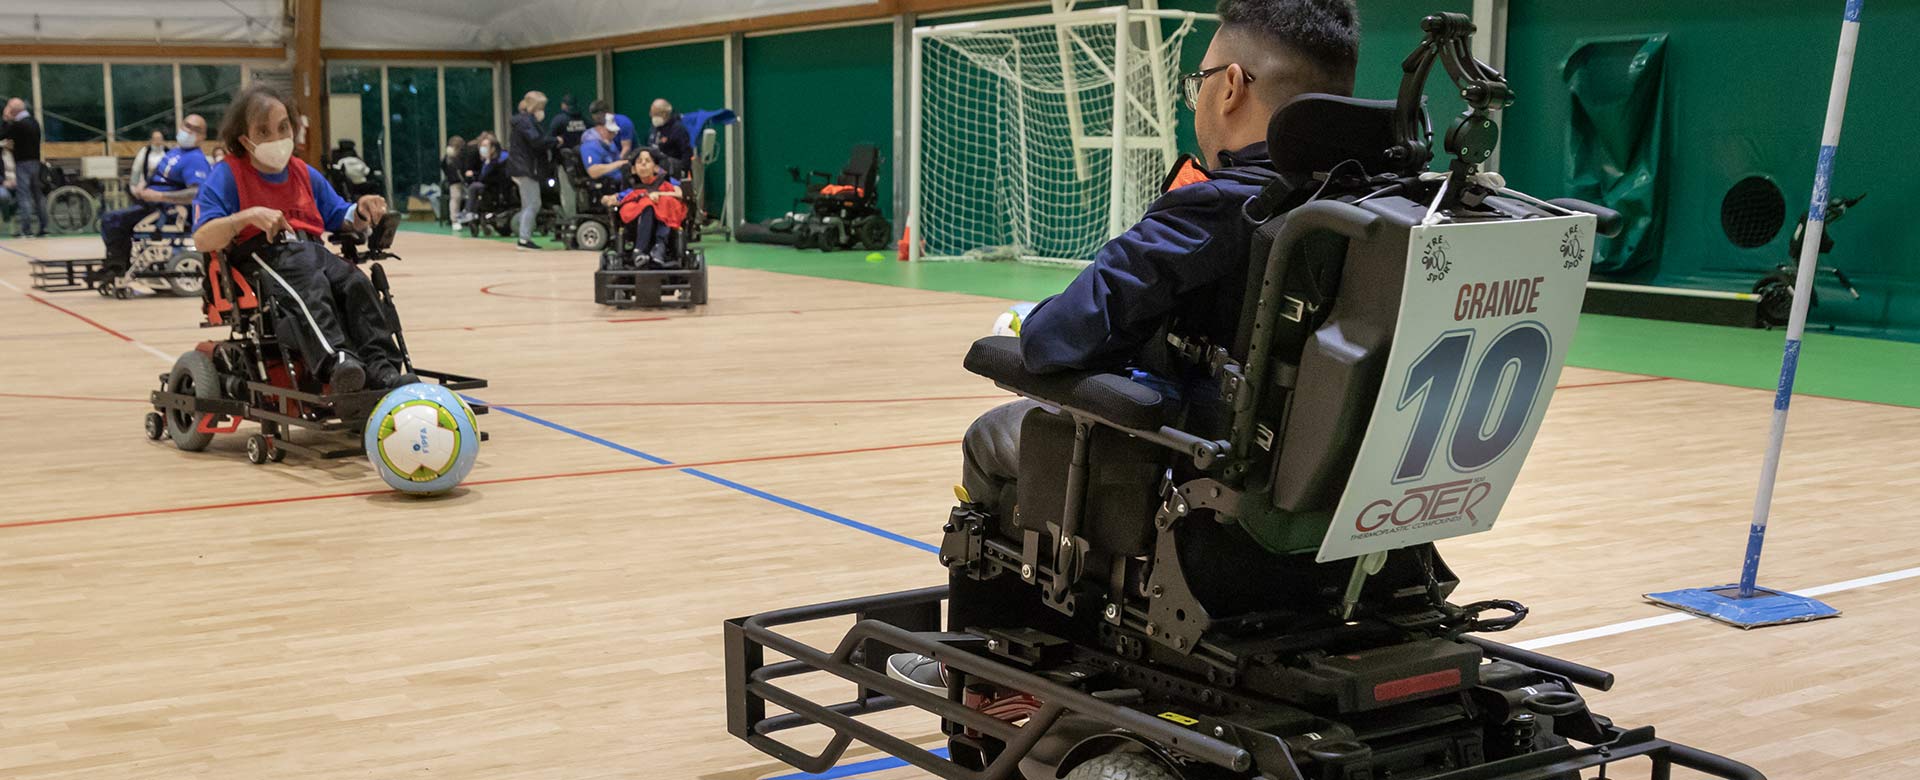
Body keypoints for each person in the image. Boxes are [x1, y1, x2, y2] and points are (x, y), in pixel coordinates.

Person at [887, 0, 1362, 693]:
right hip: (1352, 489)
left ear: (1230, 86)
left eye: (1199, 77)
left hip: (1218, 484)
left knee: (996, 435)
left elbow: (1055, 339)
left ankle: (991, 667)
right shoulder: (1391, 201)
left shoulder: (1227, 202)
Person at [192, 84, 410, 394]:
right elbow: (202, 238)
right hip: (261, 255)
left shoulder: (303, 173)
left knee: (355, 282)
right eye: (264, 131)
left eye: (283, 128)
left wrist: (361, 211)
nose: (277, 139)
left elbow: (341, 216)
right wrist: (247, 216)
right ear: (245, 139)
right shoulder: (228, 175)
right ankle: (338, 360)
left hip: (310, 249)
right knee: (310, 281)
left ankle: (381, 366)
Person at [96, 114, 211, 283]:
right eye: (187, 126)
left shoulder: (195, 160)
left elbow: (196, 192)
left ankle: (117, 267)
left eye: (195, 130)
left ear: (202, 137)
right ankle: (116, 264)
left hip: (166, 210)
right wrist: (143, 187)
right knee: (111, 219)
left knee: (113, 221)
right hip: (151, 203)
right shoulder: (174, 152)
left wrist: (159, 195)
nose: (189, 131)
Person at [599, 147, 685, 267]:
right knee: (646, 204)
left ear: (655, 167)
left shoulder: (668, 183)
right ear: (634, 170)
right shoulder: (632, 190)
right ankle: (639, 251)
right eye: (639, 162)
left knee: (667, 202)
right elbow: (614, 198)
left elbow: (679, 194)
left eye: (647, 161)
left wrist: (659, 194)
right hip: (637, 224)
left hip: (665, 222)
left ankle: (659, 247)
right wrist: (607, 199)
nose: (643, 163)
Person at [507, 91, 553, 251]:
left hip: (520, 167)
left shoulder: (522, 121)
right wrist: (554, 140)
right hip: (525, 168)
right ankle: (524, 239)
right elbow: (537, 141)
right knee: (533, 204)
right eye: (541, 107)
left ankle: (522, 231)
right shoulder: (527, 123)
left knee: (528, 203)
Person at [2, 98, 48, 237]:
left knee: (24, 196)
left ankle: (26, 229)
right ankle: (43, 227)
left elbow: (2, 134)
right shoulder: (34, 122)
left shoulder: (18, 125)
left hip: (23, 163)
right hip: (35, 162)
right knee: (38, 196)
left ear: (13, 110)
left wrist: (5, 119)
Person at [646, 99, 693, 175]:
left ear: (664, 114)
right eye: (651, 113)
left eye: (655, 114)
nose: (651, 116)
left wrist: (682, 172)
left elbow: (686, 153)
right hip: (654, 168)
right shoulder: (654, 127)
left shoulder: (678, 130)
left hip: (670, 171)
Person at [579, 116, 625, 182]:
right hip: (608, 184)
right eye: (610, 131)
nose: (613, 134)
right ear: (600, 129)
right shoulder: (589, 146)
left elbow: (617, 159)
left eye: (615, 132)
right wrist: (618, 164)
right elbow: (593, 172)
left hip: (621, 178)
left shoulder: (610, 143)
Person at [128, 129, 171, 198]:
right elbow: (136, 169)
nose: (157, 141)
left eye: (159, 138)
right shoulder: (145, 151)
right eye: (155, 138)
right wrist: (134, 186)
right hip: (146, 183)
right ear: (151, 140)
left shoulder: (168, 152)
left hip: (165, 184)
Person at [440, 135, 468, 224]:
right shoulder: (447, 159)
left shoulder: (463, 156)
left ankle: (467, 218)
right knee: (456, 198)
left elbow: (464, 168)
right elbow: (445, 168)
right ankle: (454, 220)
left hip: (466, 181)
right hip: (454, 182)